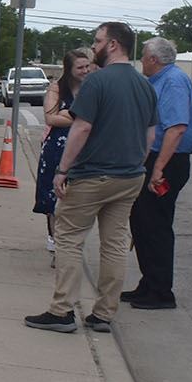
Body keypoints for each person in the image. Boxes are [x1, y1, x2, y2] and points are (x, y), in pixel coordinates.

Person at [26, 21, 156, 334]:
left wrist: (62, 169)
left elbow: (81, 128)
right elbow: (151, 132)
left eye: (98, 40)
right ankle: (103, 314)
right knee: (114, 243)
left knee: (69, 238)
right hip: (130, 176)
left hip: (92, 175)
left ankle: (61, 311)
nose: (93, 46)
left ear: (112, 44)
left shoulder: (97, 82)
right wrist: (138, 161)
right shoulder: (144, 85)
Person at [123, 38, 192, 309]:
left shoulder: (173, 82)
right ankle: (148, 283)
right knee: (142, 223)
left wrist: (158, 169)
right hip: (154, 158)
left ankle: (161, 291)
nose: (142, 61)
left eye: (144, 56)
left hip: (168, 160)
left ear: (154, 60)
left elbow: (177, 127)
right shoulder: (158, 80)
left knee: (155, 225)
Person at [34, 49, 94, 252]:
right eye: (80, 67)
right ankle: (55, 241)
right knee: (53, 197)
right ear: (69, 69)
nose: (85, 70)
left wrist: (67, 114)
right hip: (55, 150)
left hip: (84, 150)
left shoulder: (92, 88)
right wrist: (81, 117)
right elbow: (51, 118)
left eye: (87, 66)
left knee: (78, 198)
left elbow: (97, 118)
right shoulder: (56, 89)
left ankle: (71, 242)